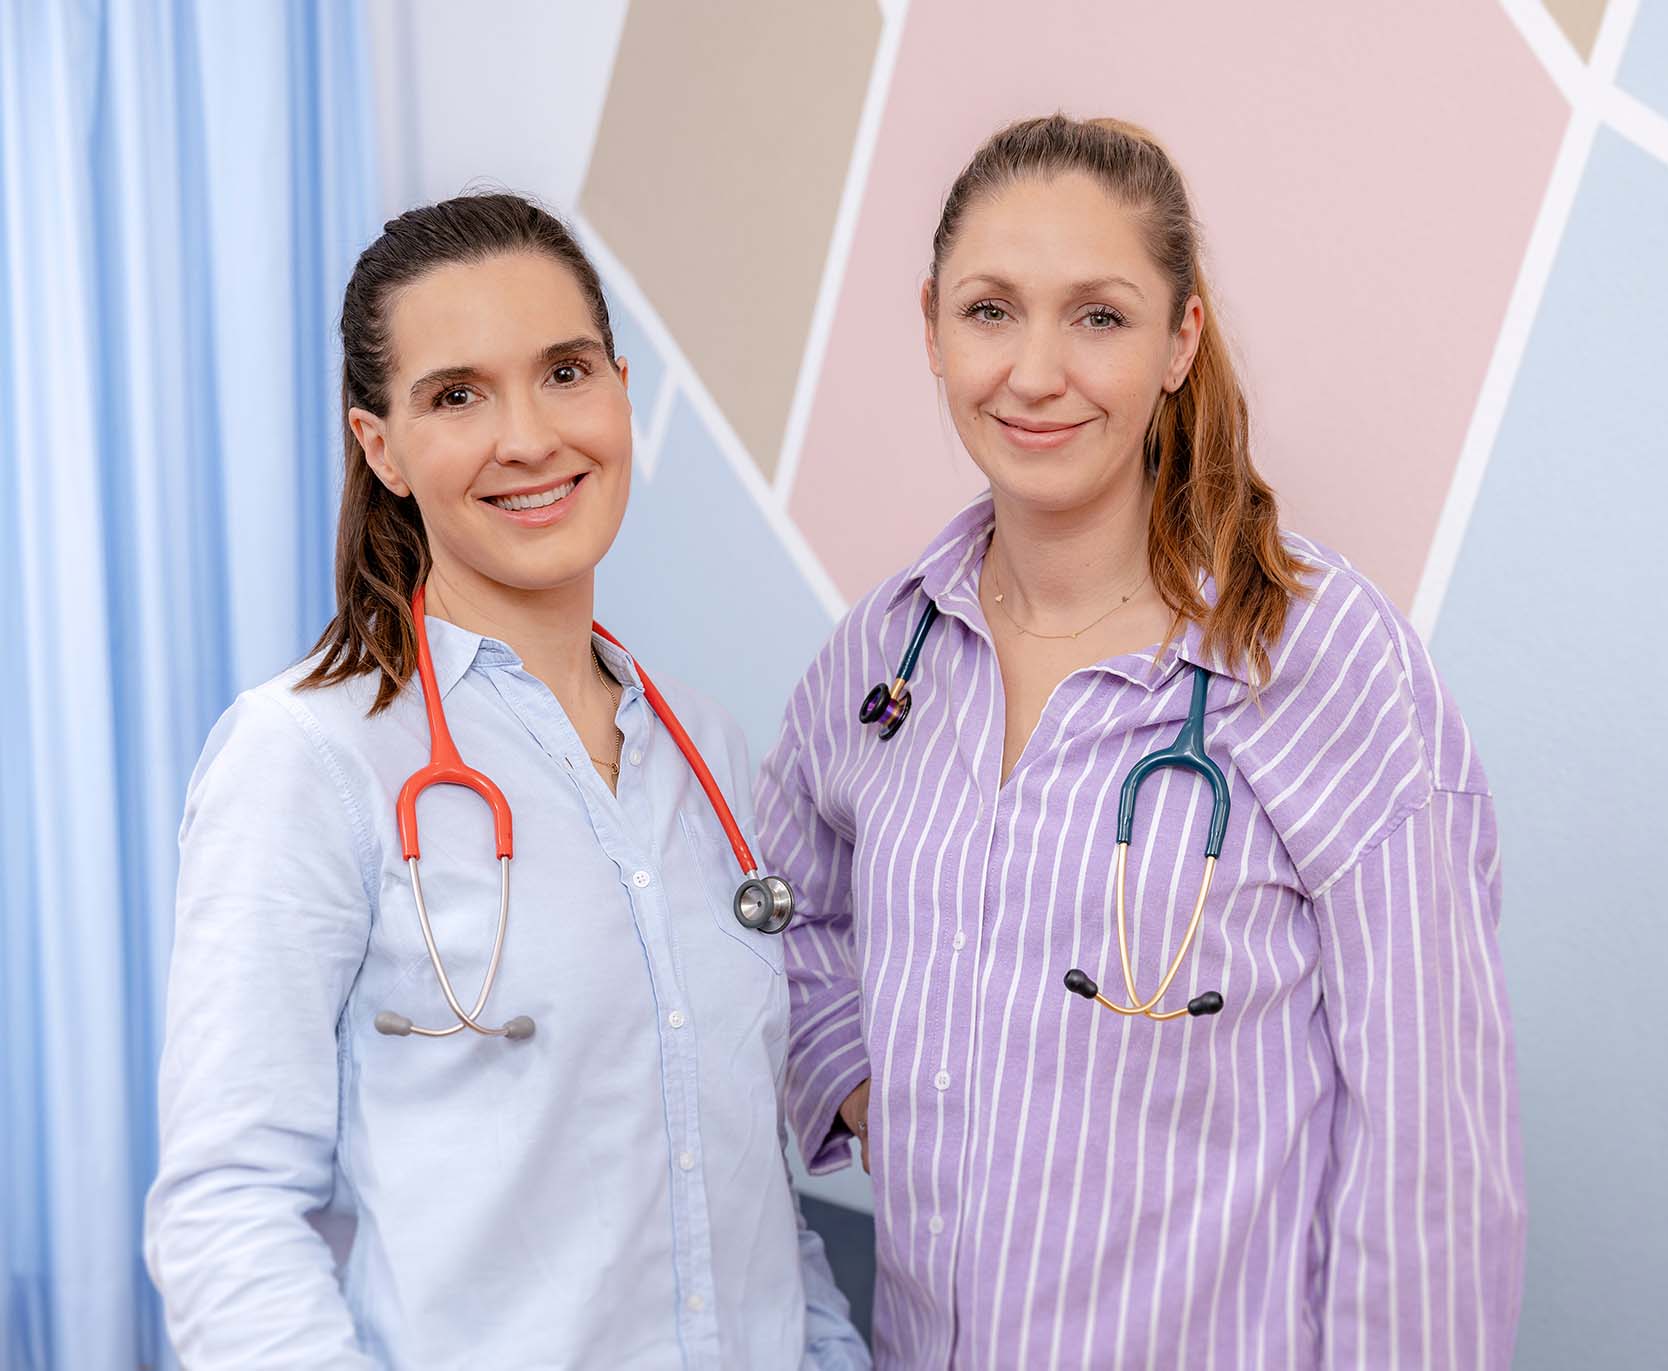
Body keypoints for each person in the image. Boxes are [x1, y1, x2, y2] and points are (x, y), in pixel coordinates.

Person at [757, 116, 1526, 1368]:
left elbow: (1430, 1156)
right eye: (991, 311)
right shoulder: (886, 653)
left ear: (1180, 341)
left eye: (1100, 317)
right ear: (933, 328)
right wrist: (874, 1091)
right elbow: (784, 919)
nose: (1036, 372)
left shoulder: (1322, 659)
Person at [145, 193, 868, 1371]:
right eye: (457, 396)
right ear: (381, 446)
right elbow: (227, 1210)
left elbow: (740, 1172)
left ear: (620, 391)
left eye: (565, 373)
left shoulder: (708, 752)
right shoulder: (308, 759)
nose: (528, 438)